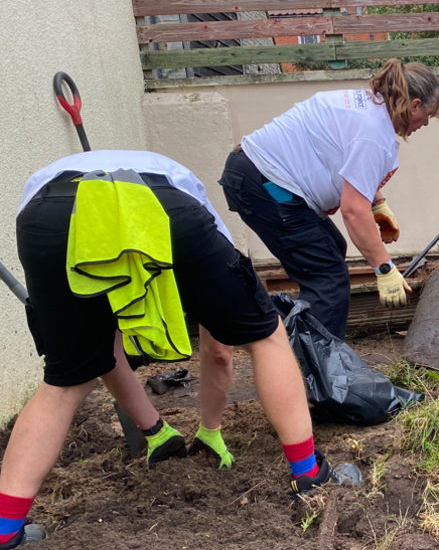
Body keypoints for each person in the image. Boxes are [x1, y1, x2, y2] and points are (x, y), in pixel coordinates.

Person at [0, 150, 347, 550]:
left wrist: (155, 429)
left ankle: (6, 528)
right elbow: (219, 350)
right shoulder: (188, 195)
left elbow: (104, 352)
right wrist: (210, 429)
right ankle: (308, 475)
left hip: (49, 215)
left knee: (64, 382)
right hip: (159, 200)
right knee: (265, 337)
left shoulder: (48, 181)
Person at [220, 60, 439, 341]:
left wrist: (377, 204)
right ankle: (317, 375)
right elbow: (353, 211)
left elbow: (346, 162)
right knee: (327, 275)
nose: (425, 123)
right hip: (265, 184)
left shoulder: (366, 106)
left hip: (255, 175)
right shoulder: (373, 133)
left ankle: (293, 348)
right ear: (414, 105)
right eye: (428, 115)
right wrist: (385, 268)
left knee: (331, 250)